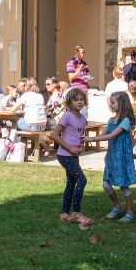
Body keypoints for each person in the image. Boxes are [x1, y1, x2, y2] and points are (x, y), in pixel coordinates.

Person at [51, 87, 91, 226]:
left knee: (71, 182)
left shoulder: (83, 118)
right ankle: (76, 212)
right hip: (65, 155)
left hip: (73, 155)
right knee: (82, 179)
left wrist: (80, 146)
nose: (79, 102)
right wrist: (70, 148)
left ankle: (64, 213)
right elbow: (54, 135)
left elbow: (78, 136)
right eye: (76, 100)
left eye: (81, 99)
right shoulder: (67, 116)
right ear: (69, 102)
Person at [101, 91, 136, 222]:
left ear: (121, 104)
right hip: (111, 157)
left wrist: (90, 138)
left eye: (113, 102)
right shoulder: (111, 120)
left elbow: (111, 136)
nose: (110, 105)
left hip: (121, 158)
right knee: (106, 184)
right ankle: (117, 206)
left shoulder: (125, 121)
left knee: (123, 186)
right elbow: (104, 133)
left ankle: (130, 212)